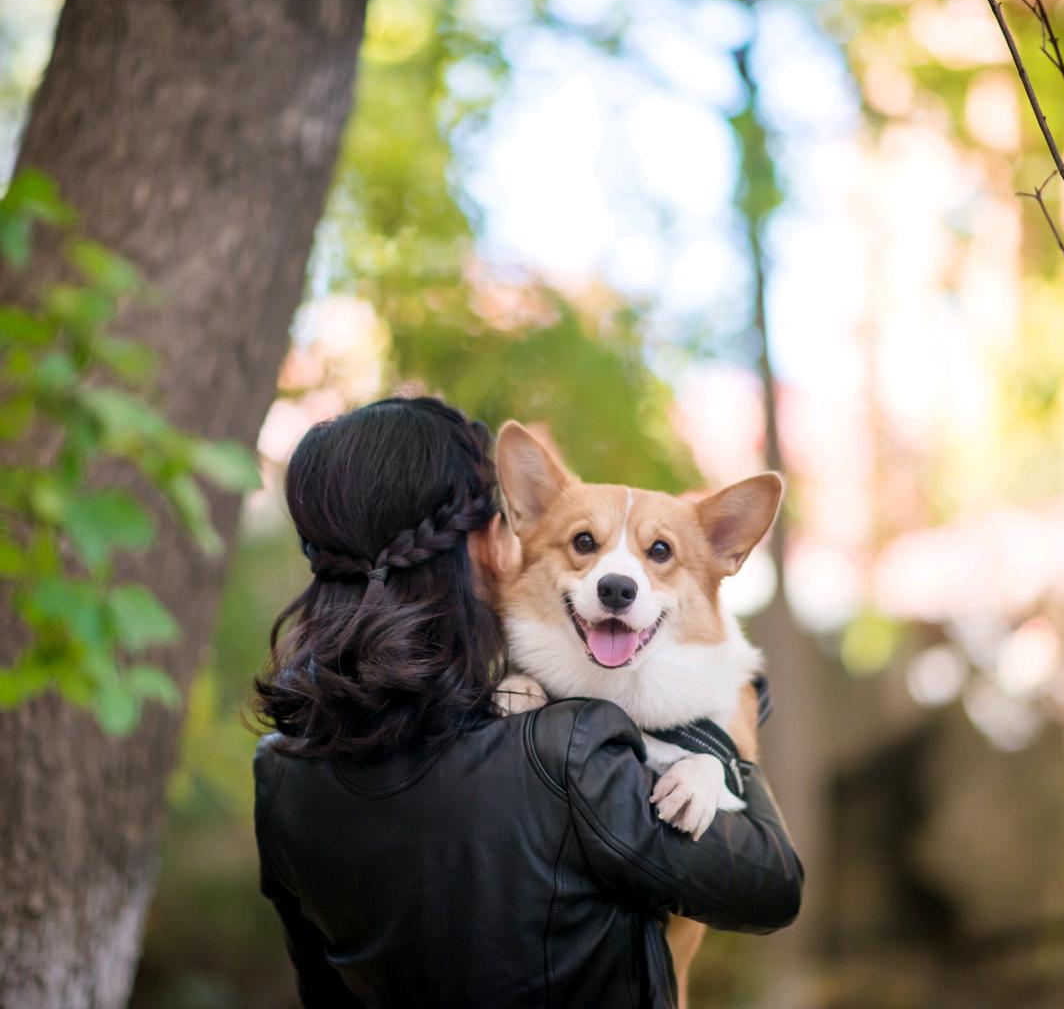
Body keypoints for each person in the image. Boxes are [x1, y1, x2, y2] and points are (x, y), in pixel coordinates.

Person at [253, 395, 802, 1009]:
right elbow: (773, 884)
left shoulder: (278, 771)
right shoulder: (566, 750)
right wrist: (729, 735)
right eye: (582, 542)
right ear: (486, 544)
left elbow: (323, 988)